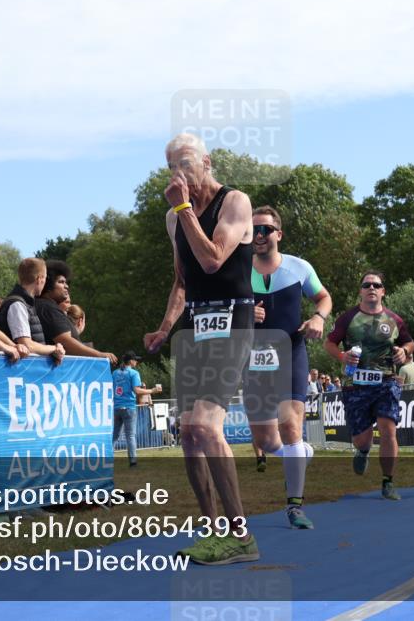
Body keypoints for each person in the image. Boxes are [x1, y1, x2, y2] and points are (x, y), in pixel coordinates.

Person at [143, 132, 258, 565]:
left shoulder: (235, 202)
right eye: (172, 166)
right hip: (195, 323)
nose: (179, 174)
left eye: (186, 163)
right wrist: (164, 326)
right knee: (189, 432)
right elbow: (182, 280)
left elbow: (212, 259)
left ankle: (242, 536)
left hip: (234, 318)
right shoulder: (175, 218)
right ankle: (212, 532)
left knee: (209, 427)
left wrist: (185, 210)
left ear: (206, 162)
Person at [243, 205, 332, 529]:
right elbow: (221, 310)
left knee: (291, 425)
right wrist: (244, 315)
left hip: (291, 350)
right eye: (253, 230)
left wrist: (318, 317)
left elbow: (324, 297)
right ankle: (298, 455)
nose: (259, 235)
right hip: (253, 356)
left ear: (278, 234)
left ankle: (295, 506)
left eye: (266, 229)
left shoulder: (298, 267)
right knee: (266, 441)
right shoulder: (237, 270)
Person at [324, 269, 413, 501]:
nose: (371, 288)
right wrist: (343, 357)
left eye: (376, 285)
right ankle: (363, 450)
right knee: (362, 438)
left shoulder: (395, 320)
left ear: (383, 291)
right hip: (356, 386)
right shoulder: (347, 318)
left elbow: (409, 343)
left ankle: (388, 482)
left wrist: (404, 352)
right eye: (366, 285)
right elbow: (329, 343)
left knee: (388, 430)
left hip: (387, 381)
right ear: (360, 292)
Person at [38, 260, 116, 363]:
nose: (66, 286)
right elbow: (66, 343)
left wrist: (75, 332)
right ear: (48, 286)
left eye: (66, 282)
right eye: (61, 282)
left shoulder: (46, 306)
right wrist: (99, 355)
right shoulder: (48, 307)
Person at [0, 257, 65, 363]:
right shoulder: (17, 305)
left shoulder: (25, 304)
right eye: (45, 278)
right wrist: (54, 349)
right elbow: (26, 345)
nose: (44, 282)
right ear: (39, 279)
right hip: (18, 372)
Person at [112, 351, 163, 466]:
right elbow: (137, 391)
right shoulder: (134, 373)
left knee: (115, 435)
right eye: (135, 360)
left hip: (117, 407)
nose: (137, 361)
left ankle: (107, 460)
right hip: (129, 407)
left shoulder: (115, 373)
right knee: (130, 435)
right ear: (130, 361)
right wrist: (152, 391)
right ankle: (133, 461)